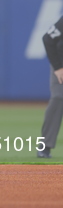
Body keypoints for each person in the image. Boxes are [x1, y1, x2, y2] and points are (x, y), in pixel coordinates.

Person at [38, 15, 63, 158]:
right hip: (61, 63)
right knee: (59, 97)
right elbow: (47, 39)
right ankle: (45, 146)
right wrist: (58, 67)